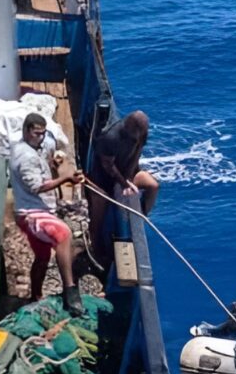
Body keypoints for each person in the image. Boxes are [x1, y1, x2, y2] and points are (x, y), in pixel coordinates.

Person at [10, 113, 85, 316]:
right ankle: (70, 292)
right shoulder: (24, 157)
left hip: (42, 209)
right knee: (63, 234)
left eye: (43, 134)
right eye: (36, 134)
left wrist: (55, 167)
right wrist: (65, 178)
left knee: (43, 257)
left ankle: (35, 296)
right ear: (26, 131)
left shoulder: (38, 145)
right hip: (30, 214)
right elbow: (37, 187)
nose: (40, 138)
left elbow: (47, 158)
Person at [87, 110, 160, 255]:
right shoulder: (111, 137)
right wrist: (123, 183)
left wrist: (129, 177)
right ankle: (95, 245)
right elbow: (107, 165)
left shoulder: (142, 133)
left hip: (126, 172)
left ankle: (141, 215)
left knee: (153, 186)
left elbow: (137, 151)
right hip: (103, 178)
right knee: (98, 213)